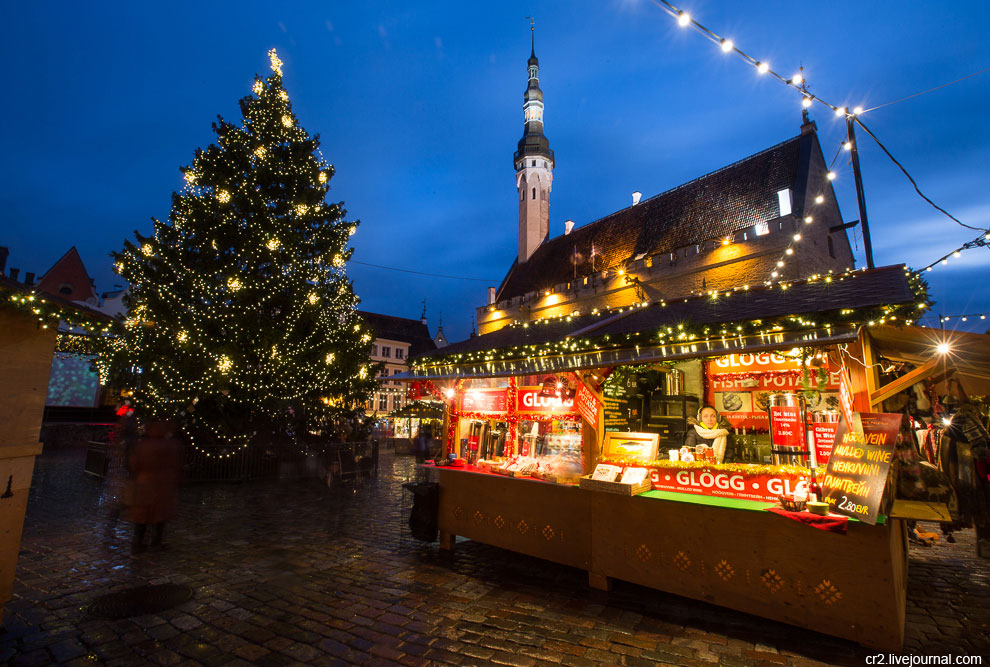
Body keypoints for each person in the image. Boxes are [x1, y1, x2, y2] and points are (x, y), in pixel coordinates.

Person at [126, 420, 182, 553]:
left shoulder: (142, 445)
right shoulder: (170, 445)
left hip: (144, 482)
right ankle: (156, 542)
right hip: (162, 483)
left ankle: (138, 541)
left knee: (142, 514)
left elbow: (134, 464)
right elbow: (175, 462)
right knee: (160, 514)